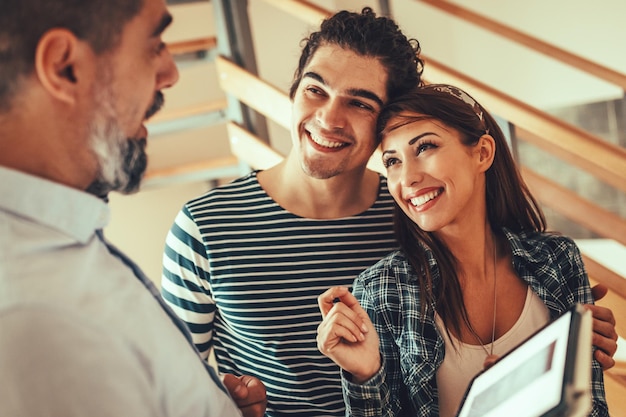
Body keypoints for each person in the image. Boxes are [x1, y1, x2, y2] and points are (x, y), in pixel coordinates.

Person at [161, 7, 617, 417]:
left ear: (385, 124)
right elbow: (169, 386)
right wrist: (223, 405)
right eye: (315, 90)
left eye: (359, 102)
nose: (328, 118)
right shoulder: (203, 227)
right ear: (294, 89)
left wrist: (566, 337)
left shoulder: (419, 214)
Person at [0, 0, 265, 416]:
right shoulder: (39, 329)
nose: (171, 73)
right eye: (154, 44)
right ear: (65, 67)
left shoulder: (64, 234)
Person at [317, 84, 609, 417]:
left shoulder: (558, 259)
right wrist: (366, 373)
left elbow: (594, 406)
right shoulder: (382, 289)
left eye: (425, 147)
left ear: (482, 153)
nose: (408, 178)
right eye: (392, 161)